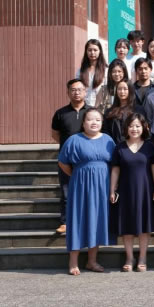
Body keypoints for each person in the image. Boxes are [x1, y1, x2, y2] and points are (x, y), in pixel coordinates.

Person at [58, 108, 116, 275]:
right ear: (83, 123)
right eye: (90, 119)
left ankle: (92, 261)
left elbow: (114, 164)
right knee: (77, 219)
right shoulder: (74, 140)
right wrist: (76, 175)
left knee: (96, 220)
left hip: (102, 187)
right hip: (80, 185)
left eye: (97, 119)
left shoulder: (108, 140)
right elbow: (62, 162)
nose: (94, 122)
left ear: (102, 122)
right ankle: (73, 262)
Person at [109, 113, 154, 272]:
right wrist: (112, 189)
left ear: (144, 127)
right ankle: (129, 257)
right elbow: (115, 170)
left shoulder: (150, 146)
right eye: (131, 126)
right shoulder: (120, 147)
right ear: (126, 128)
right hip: (126, 191)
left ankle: (143, 257)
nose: (134, 129)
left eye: (138, 126)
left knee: (144, 225)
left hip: (146, 190)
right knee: (127, 225)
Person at [51, 79, 90, 235]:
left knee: (87, 191)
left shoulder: (91, 112)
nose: (76, 92)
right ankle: (65, 222)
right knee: (66, 191)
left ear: (85, 92)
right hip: (66, 159)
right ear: (68, 92)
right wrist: (68, 148)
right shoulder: (60, 113)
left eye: (80, 89)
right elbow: (55, 134)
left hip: (87, 158)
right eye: (73, 90)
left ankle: (86, 220)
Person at [77, 39, 107, 108]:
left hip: (100, 107)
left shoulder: (106, 70)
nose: (92, 53)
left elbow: (106, 90)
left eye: (95, 50)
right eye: (90, 50)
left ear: (100, 51)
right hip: (84, 106)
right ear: (86, 52)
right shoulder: (80, 71)